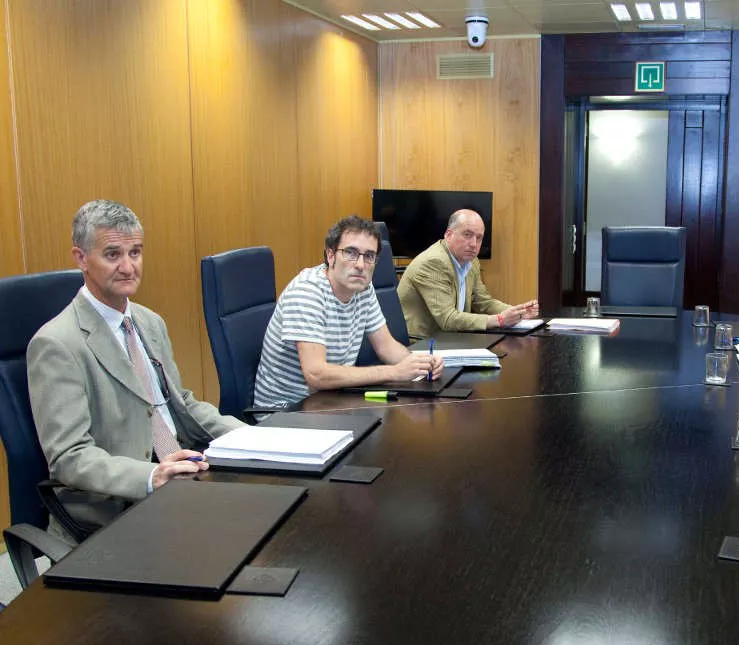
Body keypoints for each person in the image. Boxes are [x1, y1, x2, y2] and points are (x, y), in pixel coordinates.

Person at [27, 200, 244, 528]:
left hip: (182, 470)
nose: (129, 267)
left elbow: (182, 404)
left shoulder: (149, 322)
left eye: (136, 252)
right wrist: (152, 475)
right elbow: (69, 458)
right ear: (81, 258)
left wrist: (251, 437)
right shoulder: (56, 344)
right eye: (113, 254)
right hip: (119, 502)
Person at [253, 215, 443, 408]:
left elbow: (386, 347)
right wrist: (395, 372)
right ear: (330, 255)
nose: (360, 265)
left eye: (369, 256)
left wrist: (420, 364)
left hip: (329, 400)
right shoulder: (307, 292)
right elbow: (316, 374)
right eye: (351, 253)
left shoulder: (363, 288)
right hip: (286, 412)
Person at [397, 209, 539, 338]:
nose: (473, 244)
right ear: (448, 235)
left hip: (451, 338)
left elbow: (483, 302)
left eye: (479, 238)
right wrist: (500, 320)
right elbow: (448, 319)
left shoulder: (472, 261)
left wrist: (517, 313)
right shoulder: (434, 262)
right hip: (423, 344)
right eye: (467, 235)